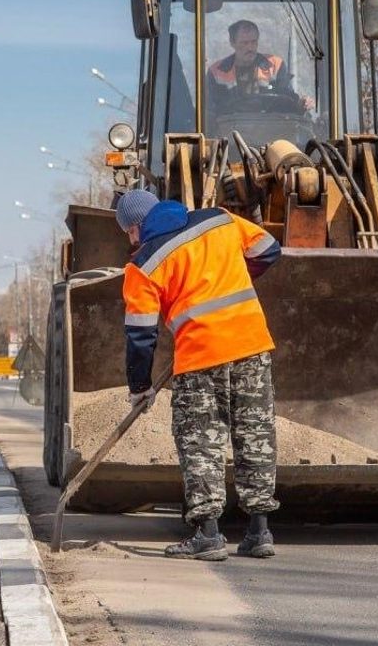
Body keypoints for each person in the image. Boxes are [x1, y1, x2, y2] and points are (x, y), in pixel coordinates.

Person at [115, 188, 282, 560]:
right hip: (252, 345)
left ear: (136, 227)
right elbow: (269, 249)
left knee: (201, 442)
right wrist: (236, 274)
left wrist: (140, 386)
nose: (130, 239)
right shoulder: (219, 219)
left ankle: (208, 534)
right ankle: (260, 532)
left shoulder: (143, 265)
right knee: (254, 433)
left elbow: (141, 335)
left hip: (200, 357)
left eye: (127, 231)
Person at [207, 19, 312, 112]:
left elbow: (289, 102)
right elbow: (210, 110)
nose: (250, 48)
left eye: (254, 42)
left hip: (273, 130)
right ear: (232, 43)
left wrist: (301, 105)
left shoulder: (275, 65)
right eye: (244, 43)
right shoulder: (216, 71)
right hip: (229, 130)